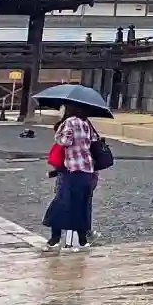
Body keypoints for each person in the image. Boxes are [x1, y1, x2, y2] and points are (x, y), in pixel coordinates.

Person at [42, 104, 102, 249]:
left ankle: (55, 239)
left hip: (73, 169)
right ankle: (82, 240)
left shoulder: (70, 122)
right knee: (81, 205)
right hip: (87, 169)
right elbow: (93, 140)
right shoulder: (86, 123)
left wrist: (59, 132)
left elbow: (65, 141)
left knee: (61, 204)